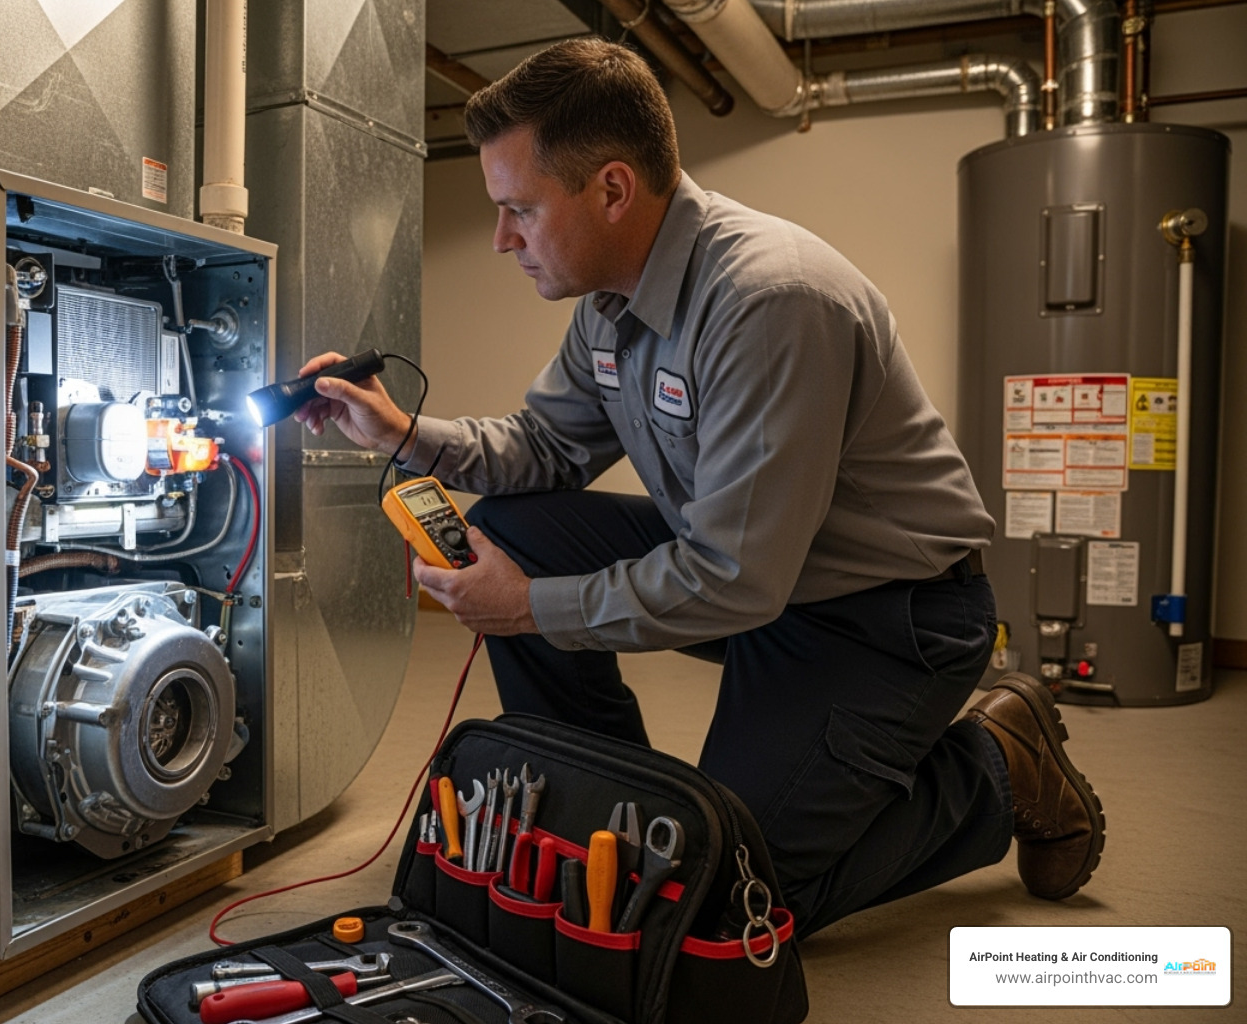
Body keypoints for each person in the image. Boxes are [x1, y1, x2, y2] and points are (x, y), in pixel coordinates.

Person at [294, 37, 1104, 937]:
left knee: (718, 906)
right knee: (516, 527)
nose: (500, 238)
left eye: (519, 208)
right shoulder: (607, 295)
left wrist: (527, 608)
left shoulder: (770, 301)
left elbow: (734, 575)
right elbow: (544, 447)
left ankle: (997, 765)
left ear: (611, 188)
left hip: (885, 617)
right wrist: (404, 435)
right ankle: (610, 806)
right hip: (766, 582)